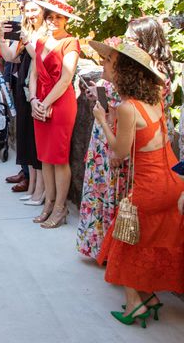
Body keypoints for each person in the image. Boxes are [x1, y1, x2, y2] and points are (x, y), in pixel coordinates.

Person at [89, 39, 184, 326]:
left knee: (125, 241)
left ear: (122, 71)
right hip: (173, 179)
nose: (103, 64)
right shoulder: (152, 100)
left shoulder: (129, 107)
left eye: (108, 62)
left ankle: (135, 306)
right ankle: (149, 296)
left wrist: (103, 119)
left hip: (150, 185)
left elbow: (118, 153)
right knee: (153, 240)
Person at [77, 17, 175, 259]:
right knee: (105, 193)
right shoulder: (127, 67)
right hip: (114, 135)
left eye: (132, 38)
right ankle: (105, 250)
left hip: (131, 142)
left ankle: (119, 254)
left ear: (146, 40)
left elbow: (139, 111)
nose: (126, 42)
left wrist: (104, 116)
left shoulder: (152, 73)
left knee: (122, 197)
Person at [29, 0, 81, 229]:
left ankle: (60, 208)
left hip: (60, 103)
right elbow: (33, 75)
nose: (53, 21)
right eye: (49, 16)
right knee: (44, 157)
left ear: (66, 19)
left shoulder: (70, 42)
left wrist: (45, 103)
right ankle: (48, 203)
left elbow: (66, 78)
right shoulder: (40, 41)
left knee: (59, 158)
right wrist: (33, 100)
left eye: (58, 17)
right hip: (40, 100)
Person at [0, 0, 45, 199]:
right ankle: (32, 184)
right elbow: (11, 57)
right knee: (25, 136)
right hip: (23, 86)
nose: (30, 14)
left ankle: (38, 189)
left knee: (36, 141)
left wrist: (26, 40)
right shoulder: (26, 31)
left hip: (39, 90)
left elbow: (40, 57)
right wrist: (1, 39)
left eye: (34, 10)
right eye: (27, 11)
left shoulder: (46, 33)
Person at [3, 0, 38, 186]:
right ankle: (24, 170)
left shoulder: (39, 24)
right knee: (21, 126)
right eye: (19, 0)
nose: (21, 4)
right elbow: (10, 54)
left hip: (33, 78)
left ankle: (30, 176)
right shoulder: (17, 22)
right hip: (17, 74)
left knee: (30, 130)